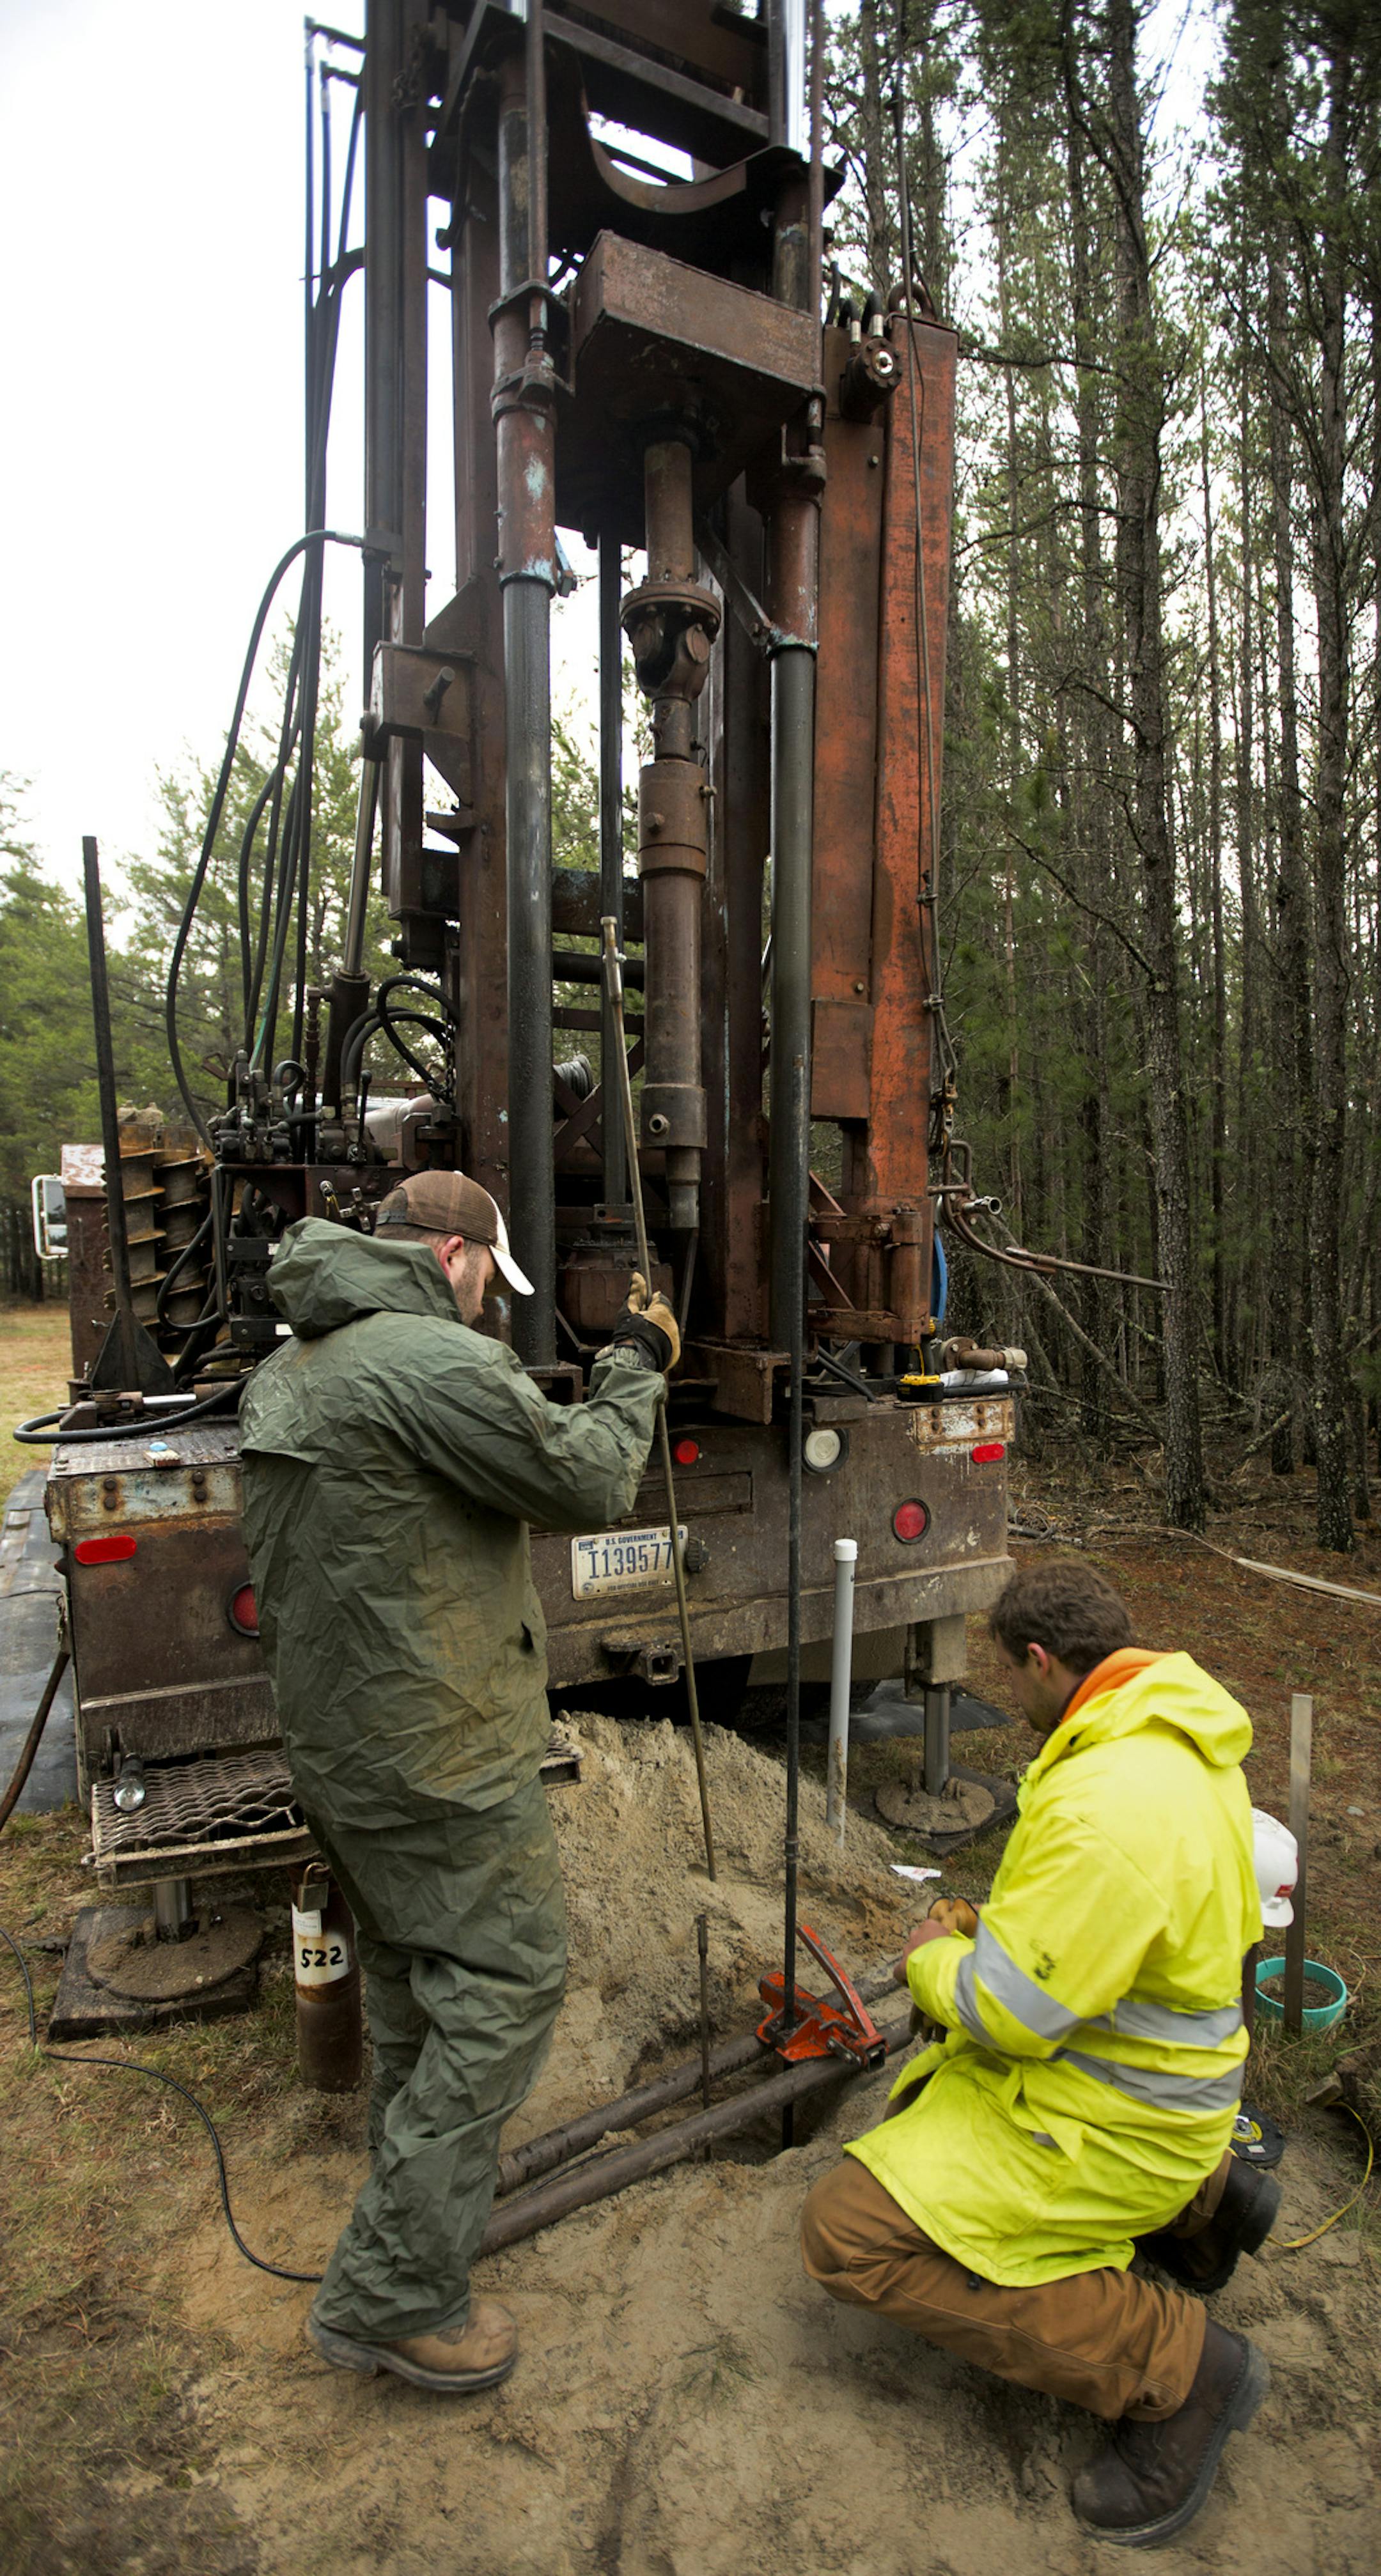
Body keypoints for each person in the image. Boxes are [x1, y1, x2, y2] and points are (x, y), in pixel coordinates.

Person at [240, 1169, 678, 2395]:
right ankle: (394, 2290)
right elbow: (590, 1482)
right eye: (489, 1277)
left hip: (340, 1751)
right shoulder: (433, 1363)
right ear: (450, 1258)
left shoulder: (296, 1364)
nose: (491, 1301)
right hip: (439, 1757)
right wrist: (638, 1359)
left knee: (413, 1981)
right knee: (510, 1975)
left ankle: (418, 2195)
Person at [800, 1562, 1274, 2549]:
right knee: (917, 2133)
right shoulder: (1169, 1740)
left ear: (1045, 1661)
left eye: (1012, 1678)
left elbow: (1008, 2014)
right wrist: (997, 1922)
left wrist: (936, 1959)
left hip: (1113, 2120)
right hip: (1167, 2088)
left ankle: (1181, 2370)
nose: (1010, 1696)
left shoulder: (1105, 1802)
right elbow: (1103, 1937)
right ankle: (1208, 2199)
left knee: (850, 2232)